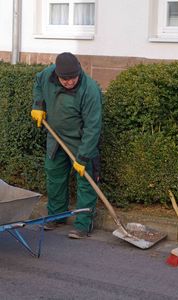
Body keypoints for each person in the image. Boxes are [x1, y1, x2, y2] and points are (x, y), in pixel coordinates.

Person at [31, 52, 102, 239]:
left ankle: (83, 223)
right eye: (65, 79)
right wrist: (38, 105)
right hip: (55, 138)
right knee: (54, 175)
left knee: (86, 181)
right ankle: (56, 216)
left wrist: (84, 156)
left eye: (73, 78)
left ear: (79, 71)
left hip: (81, 141)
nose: (69, 82)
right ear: (57, 74)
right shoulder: (47, 75)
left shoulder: (90, 89)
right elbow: (38, 84)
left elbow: (93, 127)